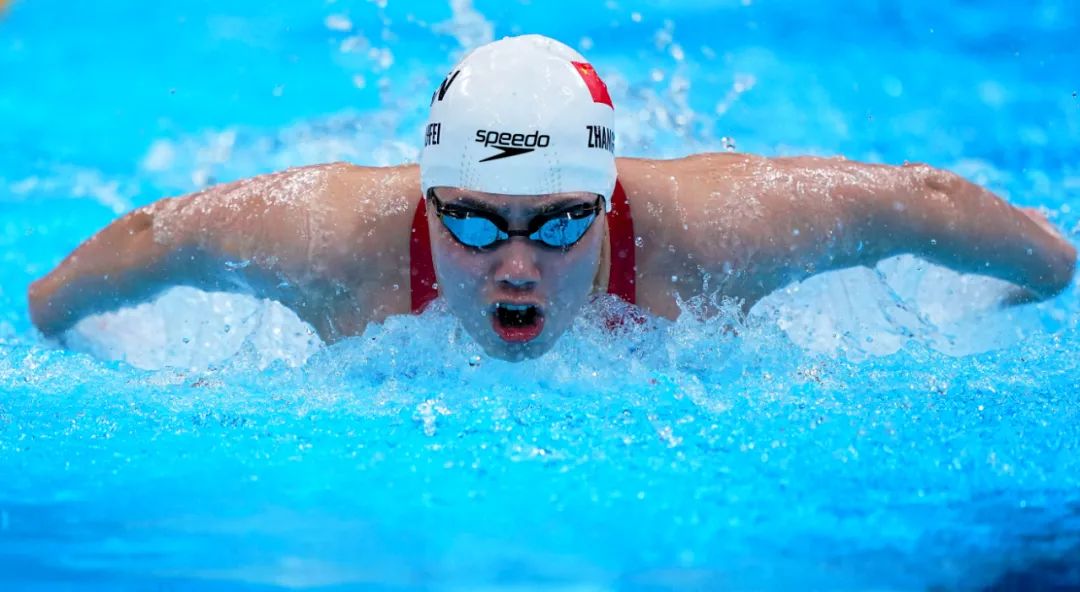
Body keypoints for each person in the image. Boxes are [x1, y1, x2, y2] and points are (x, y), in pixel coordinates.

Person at [27, 35, 1076, 361]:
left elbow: (909, 199)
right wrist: (52, 317)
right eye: (475, 222)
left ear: (608, 202)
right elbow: (158, 234)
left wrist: (1049, 264)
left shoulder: (709, 231)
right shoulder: (325, 237)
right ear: (428, 202)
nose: (515, 263)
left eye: (563, 222)